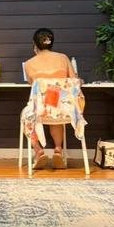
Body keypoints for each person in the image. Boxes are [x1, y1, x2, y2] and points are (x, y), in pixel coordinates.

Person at [23, 28, 79, 170]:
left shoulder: (29, 63)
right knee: (55, 112)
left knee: (26, 115)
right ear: (51, 42)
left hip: (41, 110)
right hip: (63, 109)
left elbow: (33, 85)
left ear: (35, 44)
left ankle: (38, 150)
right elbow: (74, 80)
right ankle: (58, 149)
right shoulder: (63, 58)